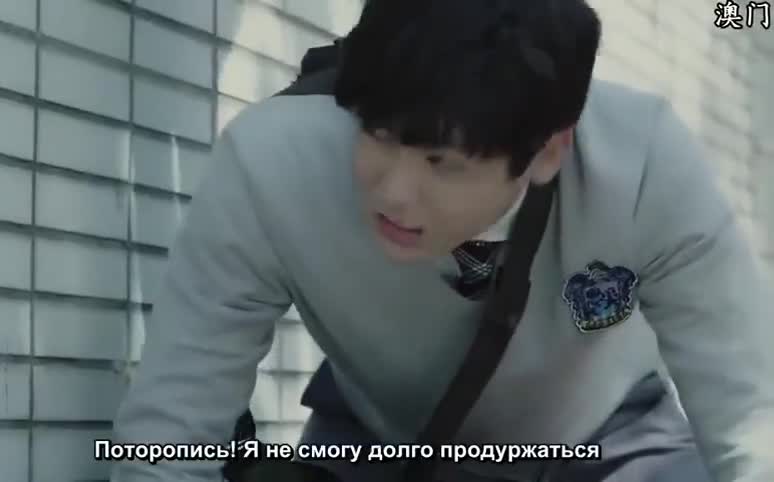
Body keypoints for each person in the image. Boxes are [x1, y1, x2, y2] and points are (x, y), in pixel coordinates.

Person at [110, 0, 774, 481]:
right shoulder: (269, 164)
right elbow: (171, 432)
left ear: (549, 151)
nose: (394, 192)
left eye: (442, 163)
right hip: (380, 442)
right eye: (377, 135)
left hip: (608, 443)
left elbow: (751, 417)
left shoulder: (646, 165)